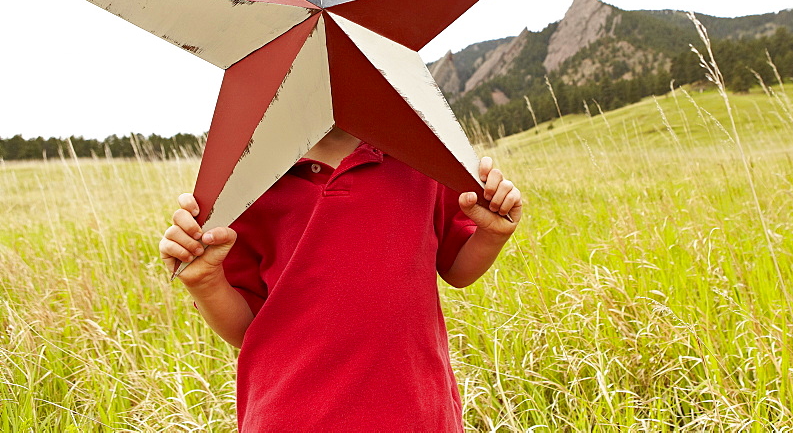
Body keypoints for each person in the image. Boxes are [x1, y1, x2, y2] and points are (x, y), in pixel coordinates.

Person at [158, 127, 522, 431]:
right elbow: (246, 328)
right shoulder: (245, 181)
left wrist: (491, 234)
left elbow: (457, 269)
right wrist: (206, 283)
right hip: (288, 419)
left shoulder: (422, 155)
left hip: (418, 415)